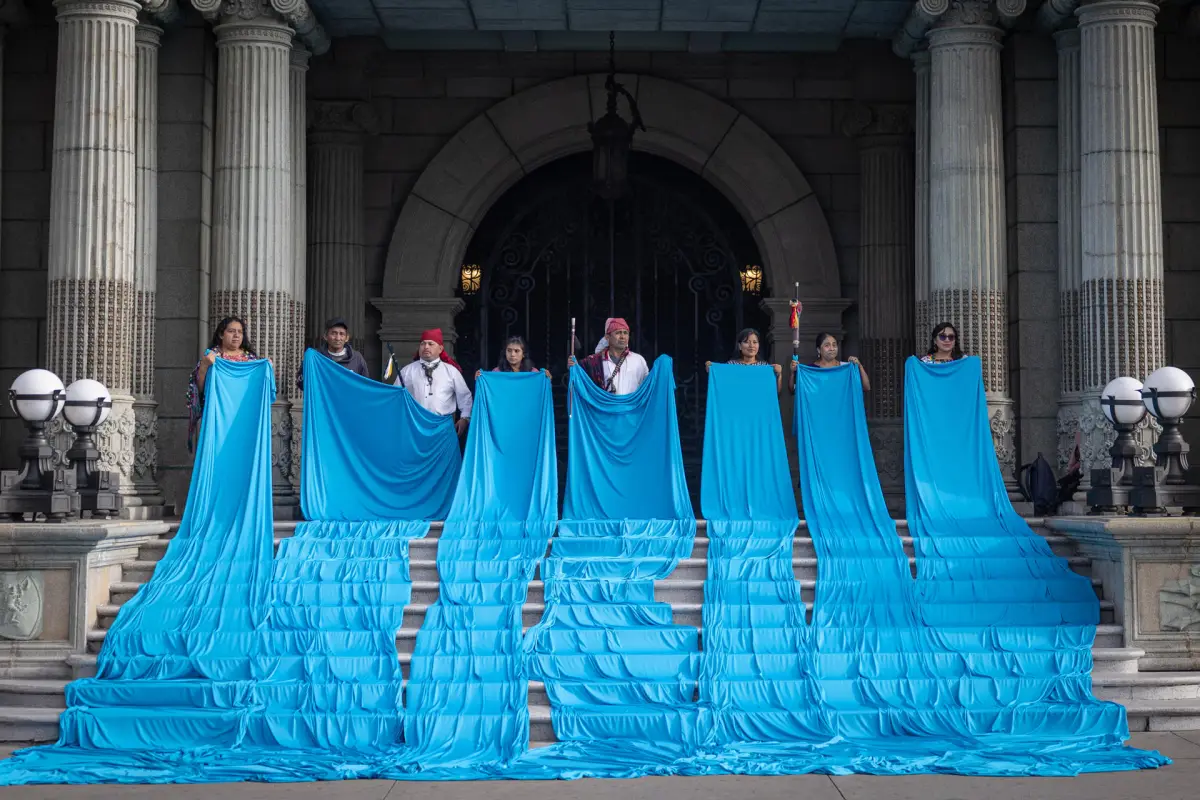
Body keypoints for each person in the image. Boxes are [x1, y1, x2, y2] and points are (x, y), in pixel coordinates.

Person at [186, 316, 262, 452]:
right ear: (221, 334)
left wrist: (266, 369)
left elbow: (258, 389)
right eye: (231, 331)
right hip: (218, 416)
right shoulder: (212, 356)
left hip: (243, 415)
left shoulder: (251, 359)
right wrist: (204, 366)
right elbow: (199, 390)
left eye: (240, 332)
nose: (236, 335)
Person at [393, 328, 472, 435]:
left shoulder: (452, 371)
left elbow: (465, 397)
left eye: (430, 344)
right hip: (414, 427)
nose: (426, 347)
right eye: (423, 344)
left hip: (443, 429)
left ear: (440, 349)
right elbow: (395, 397)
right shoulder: (407, 371)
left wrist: (465, 419)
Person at [568, 317, 650, 395]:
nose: (622, 337)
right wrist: (572, 366)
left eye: (625, 333)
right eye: (618, 333)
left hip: (632, 408)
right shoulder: (595, 361)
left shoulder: (638, 360)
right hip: (605, 408)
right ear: (607, 337)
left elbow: (648, 386)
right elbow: (578, 374)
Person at [295, 317, 370, 391]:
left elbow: (366, 385)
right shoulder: (315, 357)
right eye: (334, 333)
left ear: (347, 338)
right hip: (323, 402)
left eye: (342, 334)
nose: (337, 338)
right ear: (325, 336)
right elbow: (301, 384)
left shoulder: (357, 358)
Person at [705, 328, 783, 392]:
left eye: (755, 342)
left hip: (758, 408)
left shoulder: (765, 367)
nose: (751, 346)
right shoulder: (731, 365)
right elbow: (721, 387)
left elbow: (775, 393)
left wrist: (779, 375)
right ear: (739, 346)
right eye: (746, 342)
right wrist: (712, 369)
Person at [789, 332, 871, 393]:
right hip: (819, 414)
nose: (832, 348)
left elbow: (866, 387)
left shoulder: (846, 368)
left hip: (842, 414)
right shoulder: (811, 370)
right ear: (818, 350)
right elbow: (793, 390)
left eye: (834, 345)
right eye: (827, 345)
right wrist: (793, 373)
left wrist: (859, 366)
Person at [475, 336, 552, 379]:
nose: (512, 354)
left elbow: (540, 392)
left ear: (523, 354)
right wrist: (480, 378)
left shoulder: (533, 372)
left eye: (516, 351)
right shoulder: (497, 372)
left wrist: (546, 378)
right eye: (509, 350)